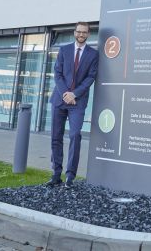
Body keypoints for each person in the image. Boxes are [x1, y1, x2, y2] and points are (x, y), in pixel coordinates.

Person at [48, 22, 98, 187]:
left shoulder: (93, 54)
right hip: (59, 100)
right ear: (74, 32)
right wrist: (65, 94)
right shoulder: (64, 49)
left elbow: (91, 77)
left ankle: (70, 176)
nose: (81, 34)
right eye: (79, 31)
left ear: (88, 34)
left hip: (78, 101)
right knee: (56, 137)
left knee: (75, 136)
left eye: (84, 32)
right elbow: (58, 73)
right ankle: (56, 174)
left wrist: (74, 94)